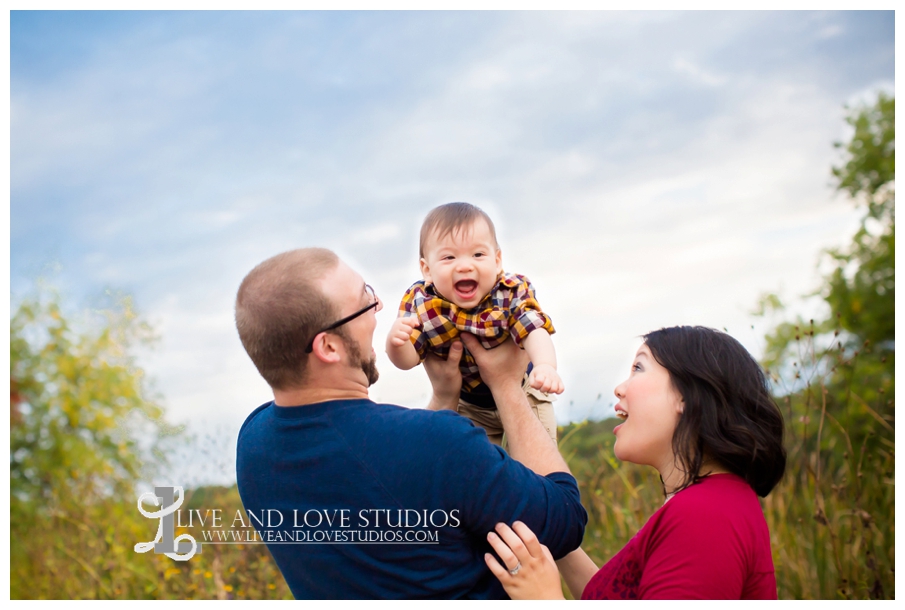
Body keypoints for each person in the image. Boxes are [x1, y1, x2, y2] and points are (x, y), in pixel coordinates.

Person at [233, 248, 587, 599]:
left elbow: (388, 476)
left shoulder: (254, 446)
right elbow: (566, 519)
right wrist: (507, 384)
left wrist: (445, 397)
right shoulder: (441, 444)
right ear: (328, 347)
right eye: (364, 302)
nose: (378, 308)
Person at [483, 326, 787, 600]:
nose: (620, 388)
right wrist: (552, 526)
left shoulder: (705, 518)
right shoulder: (715, 503)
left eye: (639, 367)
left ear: (689, 395)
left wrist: (545, 599)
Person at [386, 202, 562, 446]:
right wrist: (396, 344)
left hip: (524, 391)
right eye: (449, 257)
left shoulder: (509, 291)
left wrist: (545, 365)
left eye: (478, 254)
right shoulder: (422, 303)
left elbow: (533, 328)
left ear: (497, 260)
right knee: (480, 470)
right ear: (427, 270)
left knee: (536, 463)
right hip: (469, 405)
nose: (465, 265)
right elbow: (409, 360)